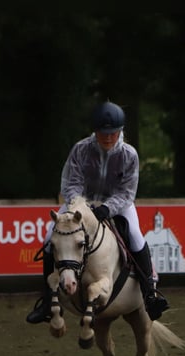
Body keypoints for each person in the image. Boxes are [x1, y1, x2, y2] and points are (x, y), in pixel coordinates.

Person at [26, 101, 170, 324]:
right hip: (80, 205)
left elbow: (127, 191)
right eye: (104, 133)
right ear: (95, 131)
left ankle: (149, 293)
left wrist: (107, 208)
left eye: (113, 133)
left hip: (117, 204)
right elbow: (71, 183)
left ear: (120, 131)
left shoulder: (129, 155)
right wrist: (81, 206)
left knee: (134, 234)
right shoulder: (81, 149)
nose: (108, 137)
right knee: (48, 236)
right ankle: (47, 301)